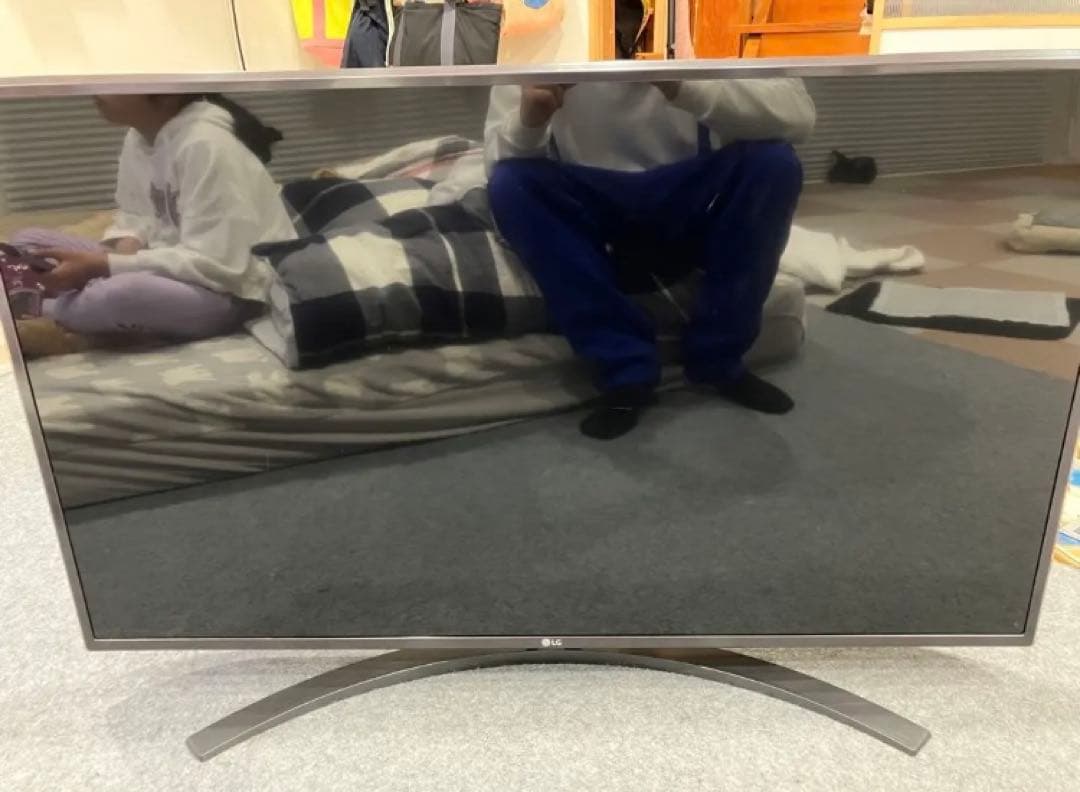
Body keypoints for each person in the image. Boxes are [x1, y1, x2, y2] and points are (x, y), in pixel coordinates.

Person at [485, 80, 816, 439]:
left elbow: (799, 117)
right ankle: (624, 368)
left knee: (774, 163)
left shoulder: (714, 40)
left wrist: (685, 85)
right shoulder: (535, 45)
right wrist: (529, 122)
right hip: (589, 201)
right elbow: (497, 161)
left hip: (691, 195)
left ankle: (718, 356)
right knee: (510, 183)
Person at [11, 93, 296, 353]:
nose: (94, 90)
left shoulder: (207, 145)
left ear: (164, 95)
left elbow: (219, 266)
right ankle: (63, 303)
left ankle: (40, 313)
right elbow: (135, 215)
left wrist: (106, 267)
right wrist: (121, 251)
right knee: (28, 242)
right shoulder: (139, 136)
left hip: (229, 293)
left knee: (123, 294)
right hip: (167, 267)